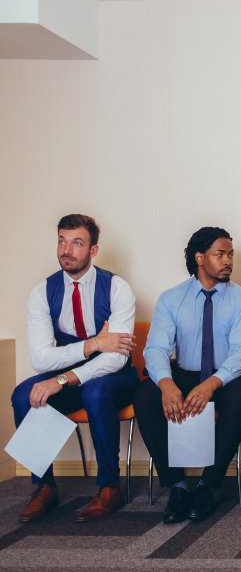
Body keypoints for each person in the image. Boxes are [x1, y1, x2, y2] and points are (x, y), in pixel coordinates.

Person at [12, 214, 138, 523]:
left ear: (93, 250)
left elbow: (117, 357)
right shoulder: (42, 292)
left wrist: (65, 377)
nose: (67, 250)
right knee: (22, 395)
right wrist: (94, 343)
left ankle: (109, 487)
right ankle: (44, 487)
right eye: (62, 241)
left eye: (77, 243)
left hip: (114, 378)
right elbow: (40, 359)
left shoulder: (118, 288)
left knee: (95, 392)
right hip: (68, 375)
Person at [135, 227, 241, 524]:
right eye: (220, 254)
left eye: (230, 254)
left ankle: (207, 486)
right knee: (144, 395)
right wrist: (166, 384)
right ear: (200, 258)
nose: (228, 260)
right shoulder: (171, 298)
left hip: (223, 378)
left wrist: (212, 384)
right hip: (184, 374)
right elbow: (155, 349)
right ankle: (176, 486)